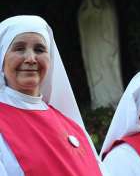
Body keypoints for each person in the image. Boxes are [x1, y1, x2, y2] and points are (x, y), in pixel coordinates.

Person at [0, 15, 107, 176]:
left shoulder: (71, 125)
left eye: (39, 49)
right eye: (19, 48)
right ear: (2, 58)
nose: (31, 58)